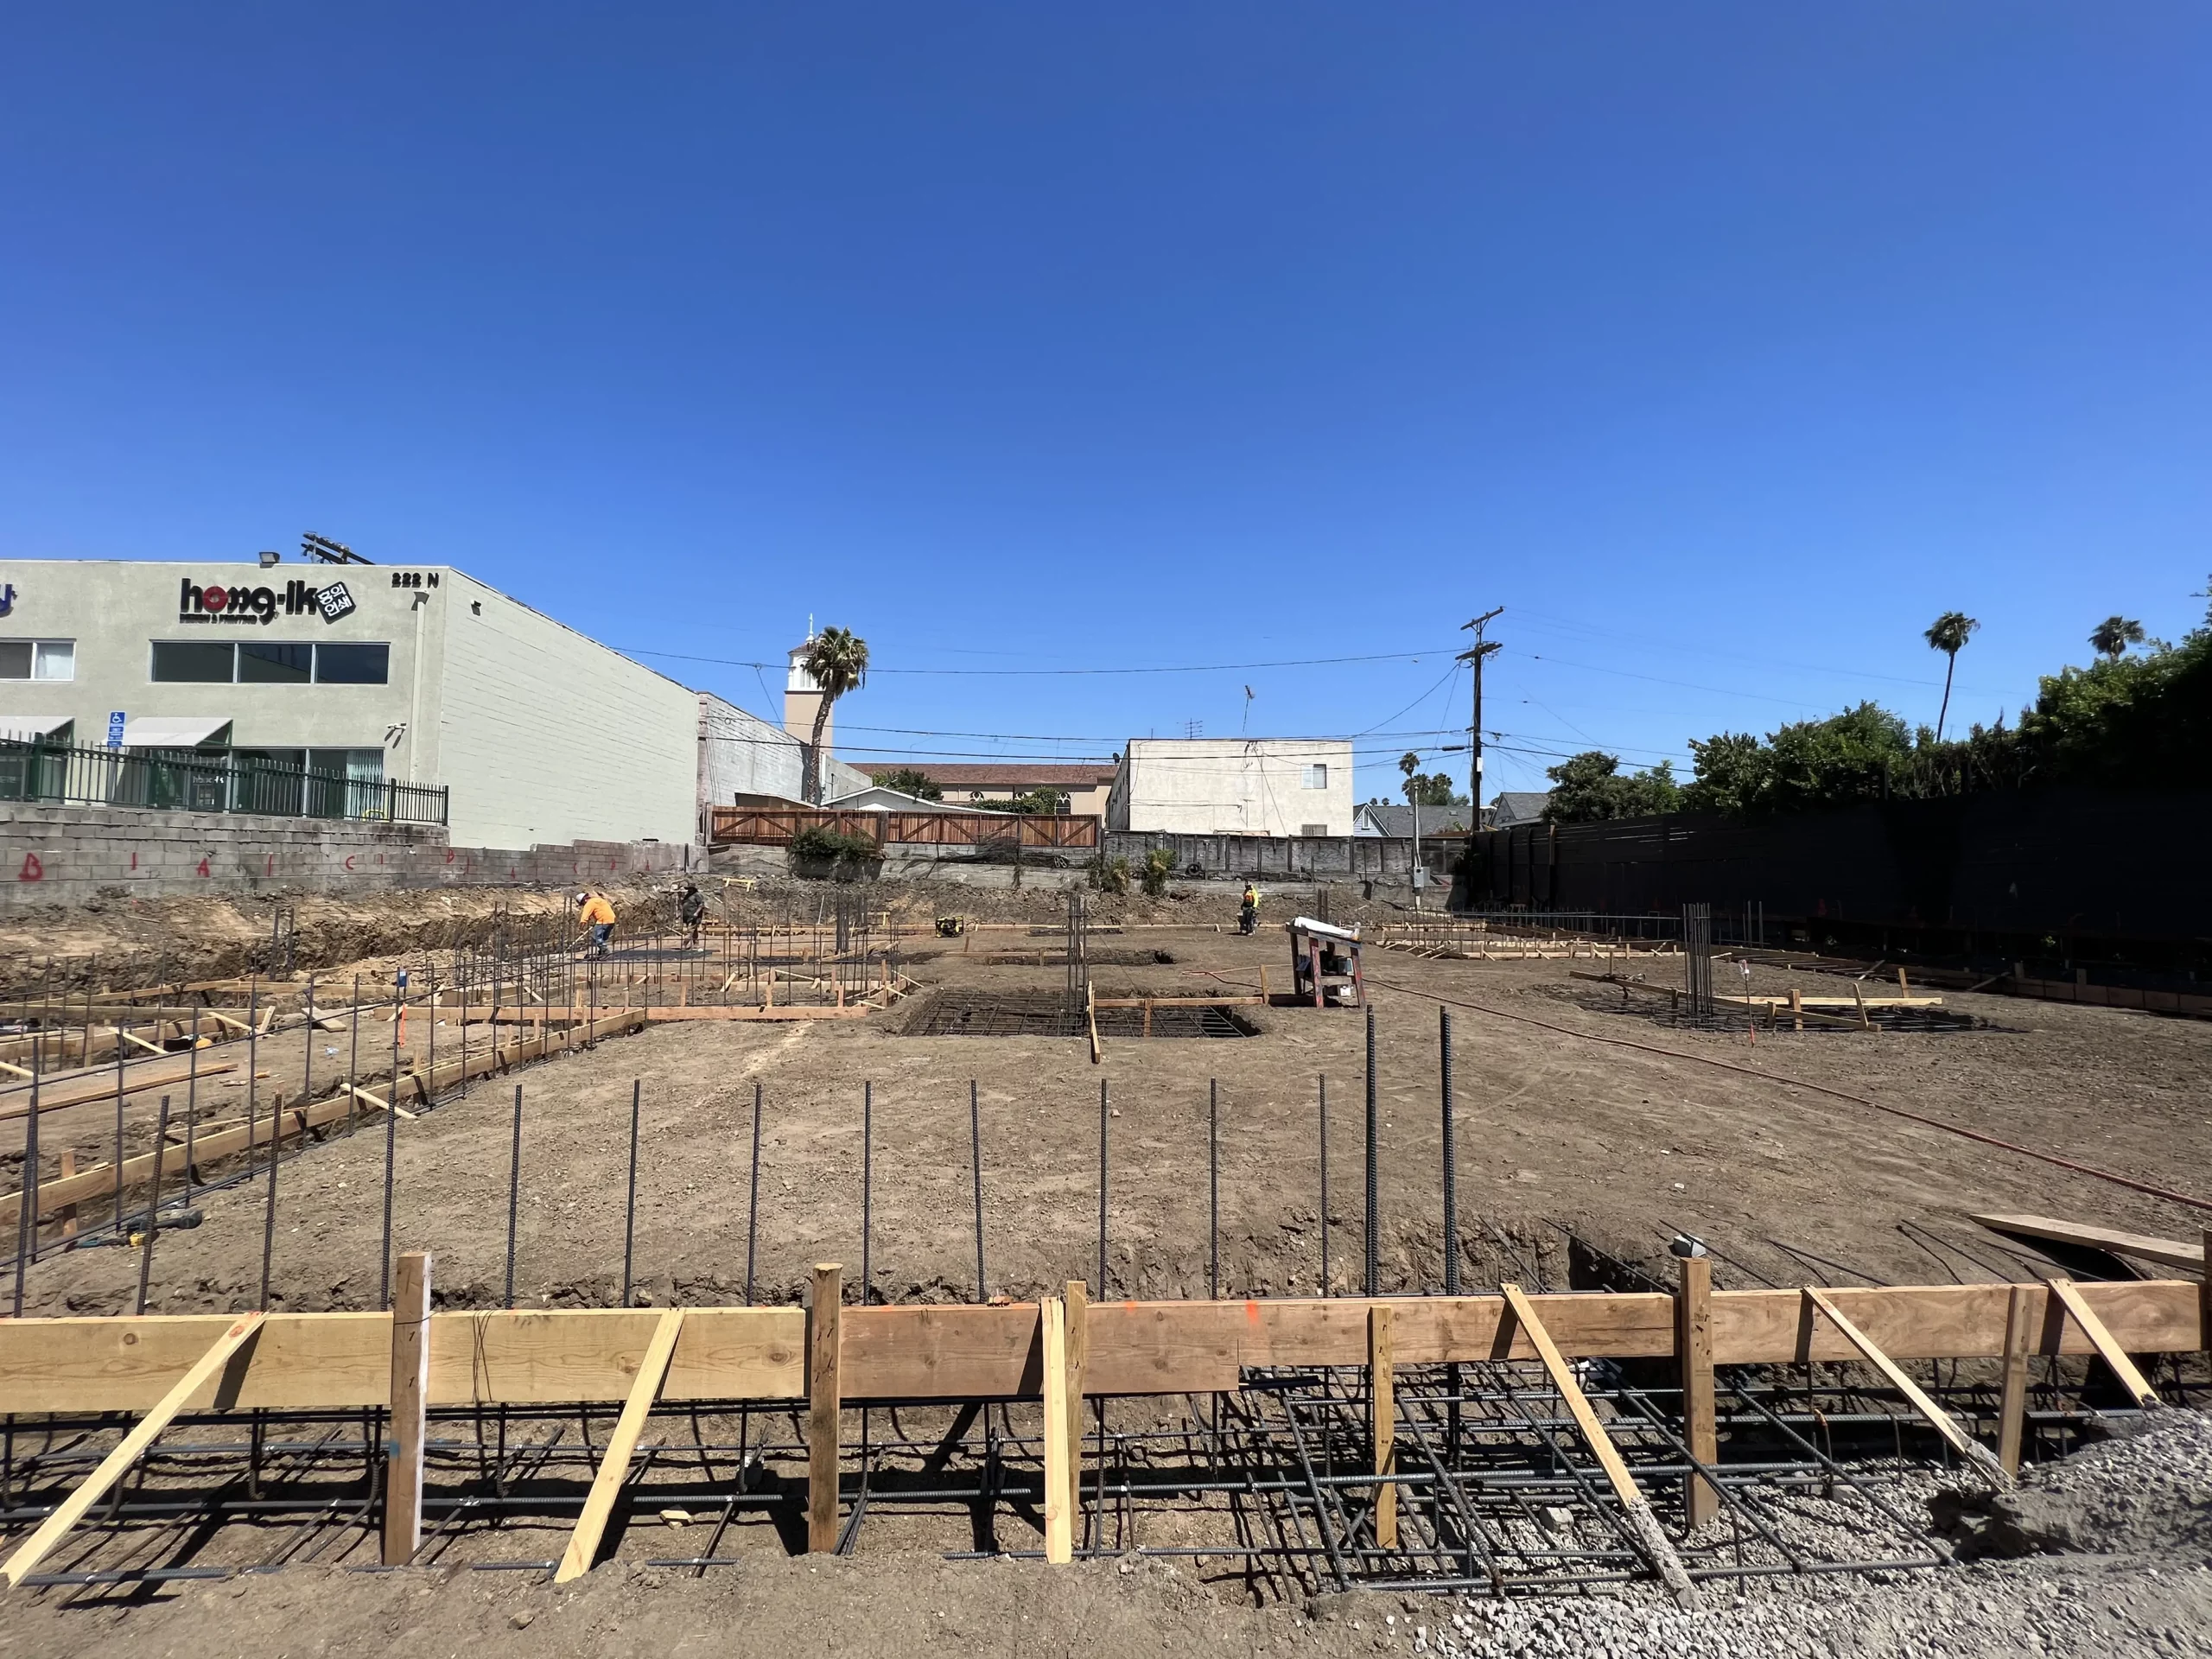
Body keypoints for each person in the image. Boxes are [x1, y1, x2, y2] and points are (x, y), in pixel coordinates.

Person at [576, 889, 616, 958]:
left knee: (595, 937)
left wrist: (581, 929)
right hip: (611, 920)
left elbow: (584, 918)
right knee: (602, 938)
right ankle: (601, 952)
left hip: (603, 921)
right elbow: (602, 911)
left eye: (582, 904)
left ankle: (606, 952)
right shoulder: (598, 900)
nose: (583, 906)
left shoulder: (589, 904)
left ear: (584, 901)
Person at [678, 880, 708, 949]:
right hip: (687, 916)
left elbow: (701, 905)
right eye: (688, 889)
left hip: (694, 916)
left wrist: (696, 913)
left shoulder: (697, 895)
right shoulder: (688, 895)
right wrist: (679, 896)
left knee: (690, 930)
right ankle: (696, 944)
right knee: (694, 930)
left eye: (690, 889)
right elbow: (682, 903)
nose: (689, 890)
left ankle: (684, 944)